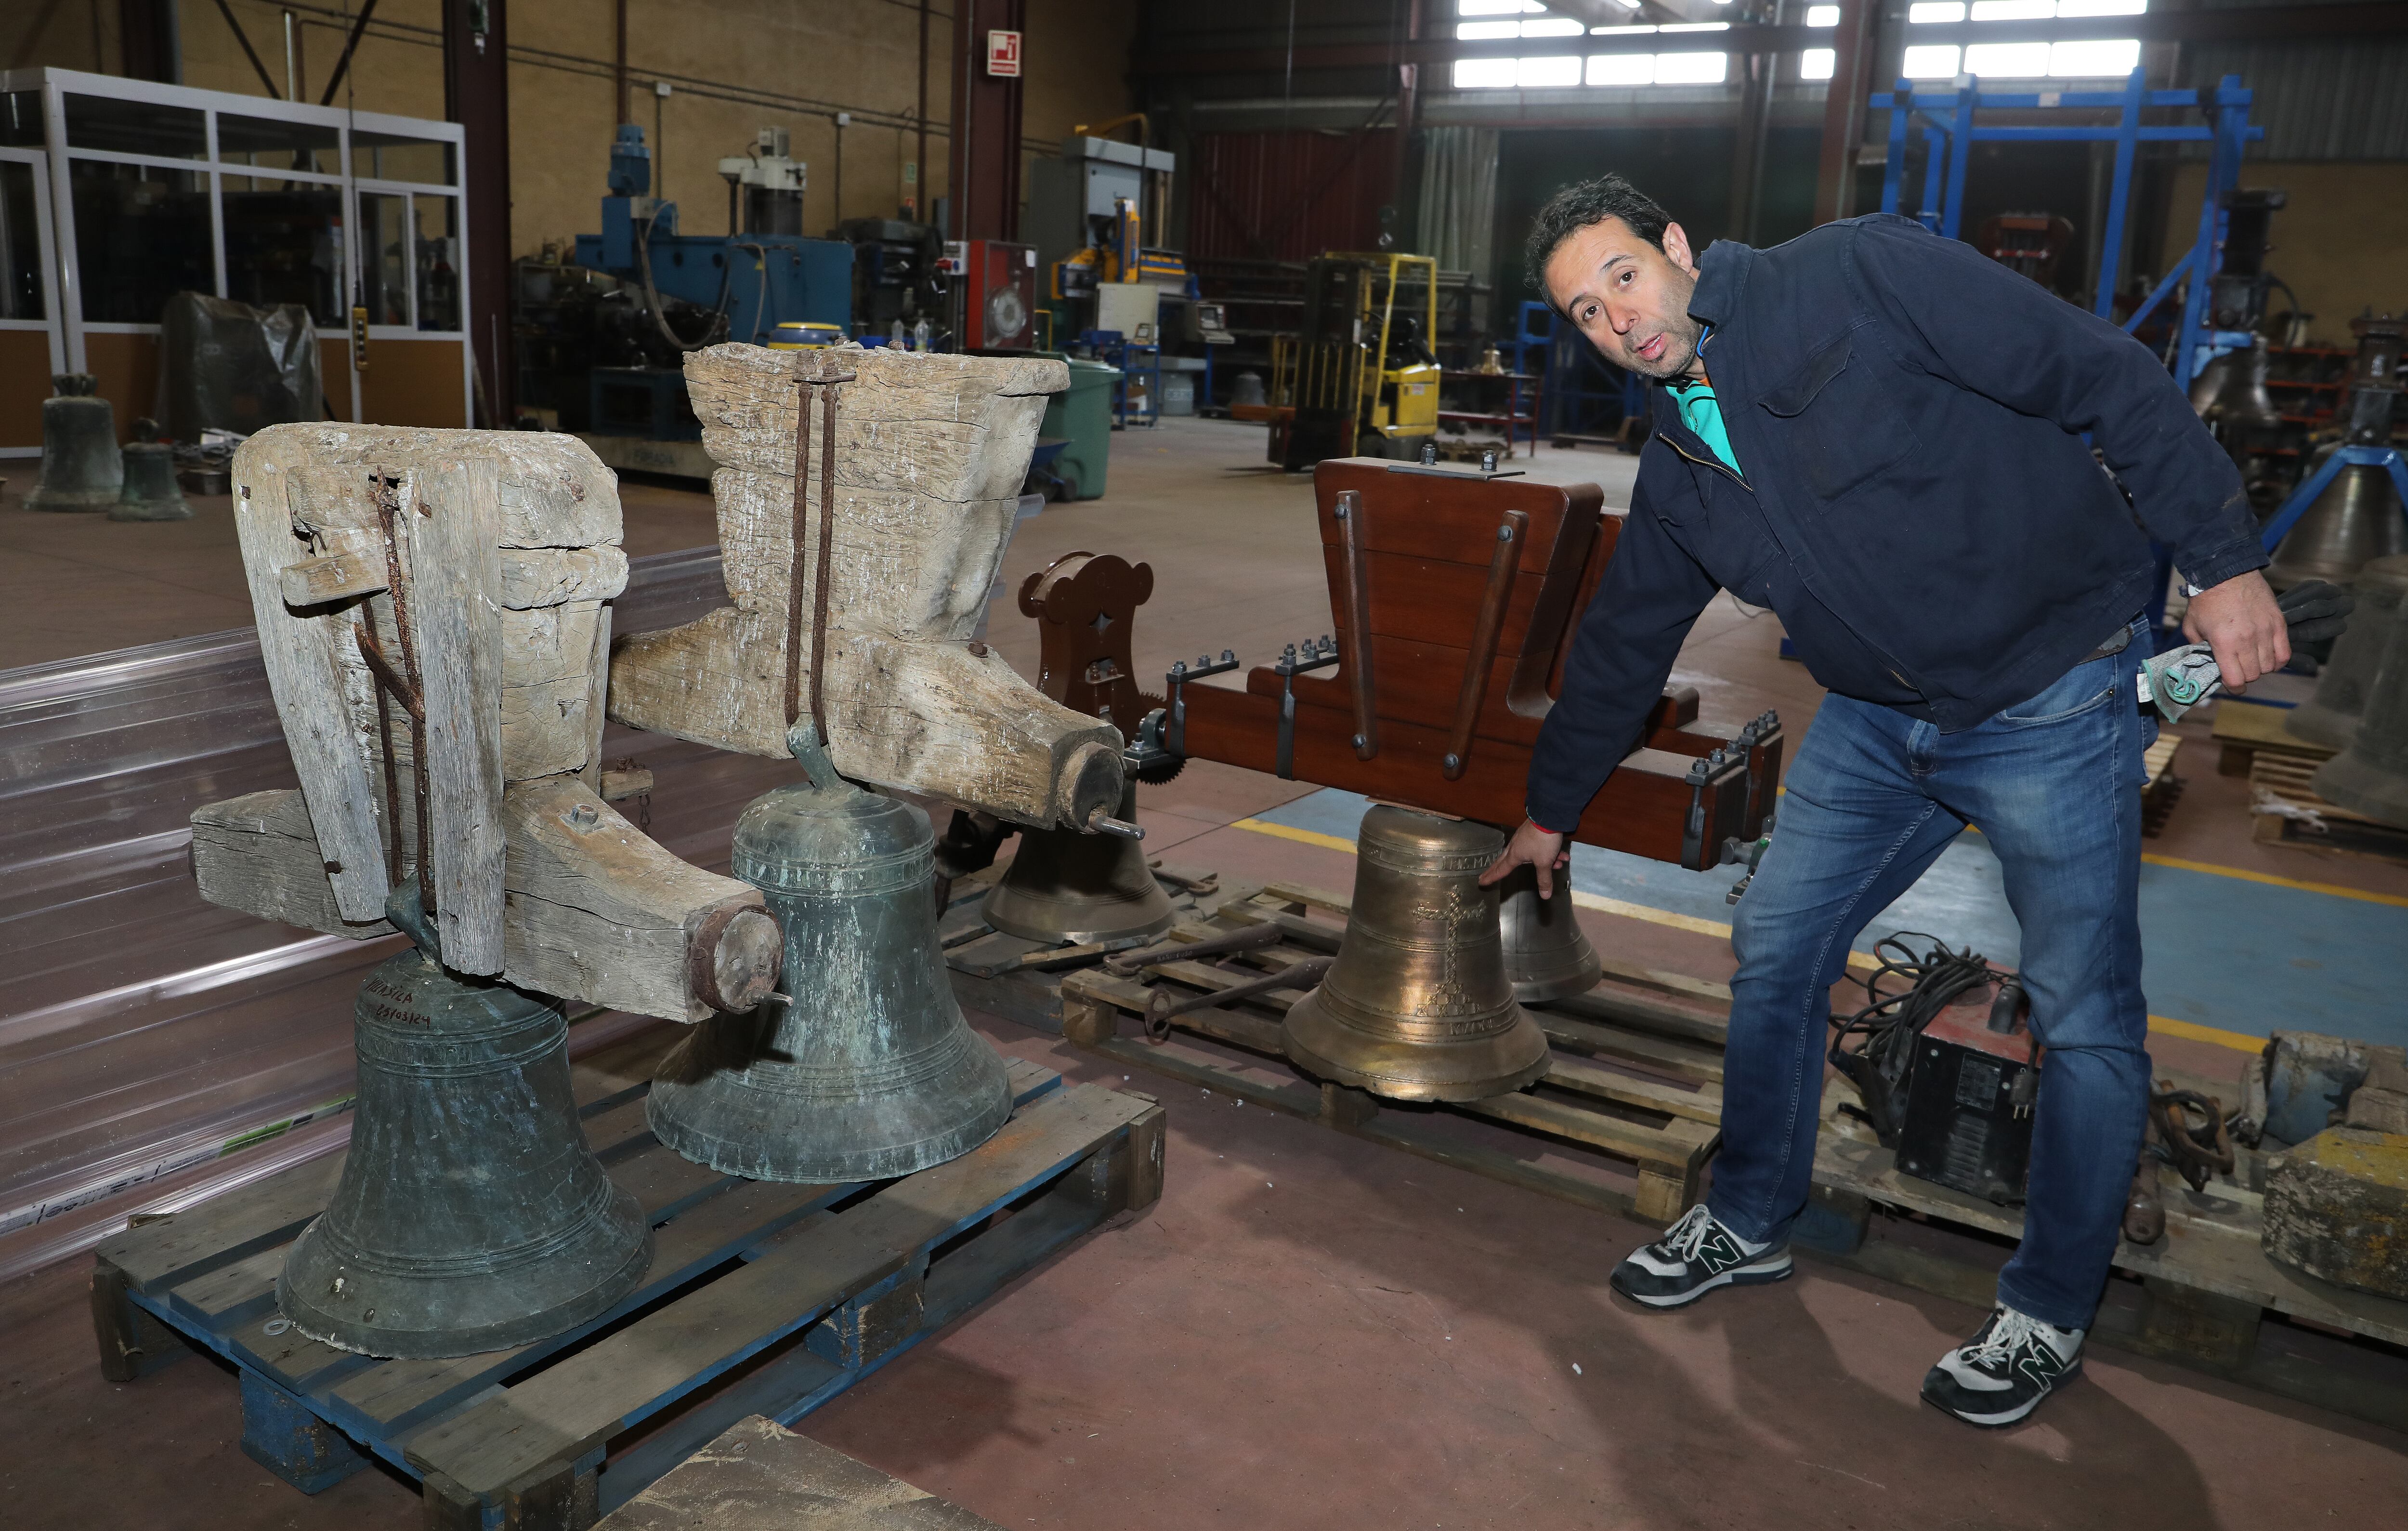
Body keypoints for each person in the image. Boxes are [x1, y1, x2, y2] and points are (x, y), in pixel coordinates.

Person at [1478, 176, 2288, 1428]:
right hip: (1875, 721)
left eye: (1624, 278)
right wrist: (1552, 806)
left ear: (1678, 247)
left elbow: (2099, 375)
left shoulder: (1855, 275)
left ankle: (2049, 1305)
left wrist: (2222, 559)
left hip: (2053, 699)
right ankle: (1749, 1213)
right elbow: (1626, 638)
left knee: (2082, 1016)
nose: (1617, 322)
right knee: (1783, 941)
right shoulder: (1688, 455)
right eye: (1586, 312)